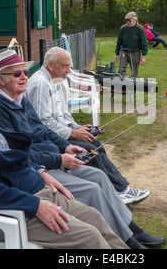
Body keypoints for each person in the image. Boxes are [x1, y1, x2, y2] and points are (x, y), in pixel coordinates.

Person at [0, 52, 128, 249]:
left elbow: (12, 152)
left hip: (33, 190)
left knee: (94, 217)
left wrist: (39, 171)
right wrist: (35, 205)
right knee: (89, 237)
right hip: (5, 214)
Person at [0, 50, 164, 248]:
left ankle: (130, 228)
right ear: (1, 80)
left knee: (99, 177)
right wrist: (59, 158)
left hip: (53, 156)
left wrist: (66, 145)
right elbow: (20, 155)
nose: (24, 77)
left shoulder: (19, 98)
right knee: (92, 189)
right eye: (17, 74)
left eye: (25, 73)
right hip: (40, 169)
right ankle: (128, 240)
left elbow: (43, 129)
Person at [26, 47, 150, 205]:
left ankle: (120, 188)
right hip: (49, 142)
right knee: (91, 148)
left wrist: (77, 128)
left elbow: (62, 113)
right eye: (65, 66)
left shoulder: (54, 80)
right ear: (51, 66)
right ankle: (119, 190)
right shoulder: (40, 83)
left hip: (58, 135)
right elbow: (43, 122)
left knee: (94, 142)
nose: (69, 71)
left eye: (69, 66)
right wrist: (71, 133)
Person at [115, 11, 148, 78]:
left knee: (134, 71)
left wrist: (143, 56)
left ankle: (133, 85)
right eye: (126, 20)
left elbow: (144, 43)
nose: (128, 22)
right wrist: (117, 54)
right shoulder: (123, 28)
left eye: (129, 20)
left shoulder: (140, 28)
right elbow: (119, 42)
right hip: (124, 51)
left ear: (135, 19)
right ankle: (120, 85)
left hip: (135, 52)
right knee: (121, 70)